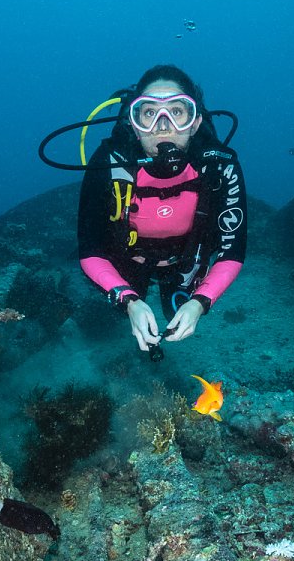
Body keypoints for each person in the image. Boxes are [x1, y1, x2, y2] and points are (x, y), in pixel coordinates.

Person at [77, 64, 247, 351]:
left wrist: (200, 303)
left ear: (195, 122)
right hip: (127, 258)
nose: (163, 125)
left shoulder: (220, 165)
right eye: (149, 113)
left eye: (177, 111)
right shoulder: (108, 163)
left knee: (175, 312)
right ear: (134, 124)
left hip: (187, 261)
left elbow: (233, 251)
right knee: (121, 313)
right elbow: (89, 250)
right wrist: (129, 301)